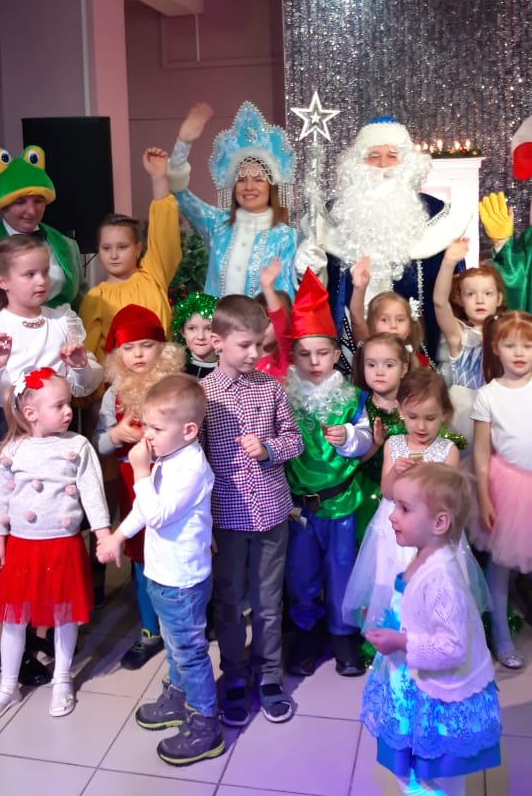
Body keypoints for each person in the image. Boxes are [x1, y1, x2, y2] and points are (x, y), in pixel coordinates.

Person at [0, 234, 102, 685]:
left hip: (56, 446)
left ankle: (47, 627)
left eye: (45, 271)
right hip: (6, 441)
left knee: (53, 539)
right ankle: (12, 637)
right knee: (9, 546)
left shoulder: (62, 320)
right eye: (29, 274)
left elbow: (84, 385)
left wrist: (80, 364)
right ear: (3, 281)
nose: (41, 281)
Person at [97, 374, 225, 766]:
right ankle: (178, 696)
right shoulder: (170, 458)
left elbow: (157, 514)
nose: (147, 436)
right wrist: (118, 536)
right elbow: (144, 509)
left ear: (189, 431)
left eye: (156, 428)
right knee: (174, 644)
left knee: (189, 652)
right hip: (162, 574)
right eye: (147, 426)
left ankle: (205, 723)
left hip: (181, 581)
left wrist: (139, 472)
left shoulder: (190, 468)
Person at [0, 367, 111, 723]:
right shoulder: (12, 450)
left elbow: (93, 494)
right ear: (31, 413)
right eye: (59, 405)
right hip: (22, 547)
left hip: (63, 545)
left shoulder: (77, 446)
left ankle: (62, 678)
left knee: (65, 614)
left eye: (69, 404)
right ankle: (7, 685)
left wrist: (102, 534)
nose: (68, 411)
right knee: (14, 617)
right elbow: (1, 501)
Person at [361, 464, 501, 796]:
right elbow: (413, 609)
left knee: (440, 767)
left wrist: (400, 641)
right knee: (411, 762)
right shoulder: (424, 556)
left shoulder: (442, 580)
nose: (392, 516)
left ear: (439, 523)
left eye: (404, 509)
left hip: (436, 688)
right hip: (411, 678)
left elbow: (452, 647)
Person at [299, 115, 470, 375]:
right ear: (357, 164)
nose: (382, 165)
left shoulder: (439, 219)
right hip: (349, 364)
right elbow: (315, 294)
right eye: (373, 156)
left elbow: (456, 298)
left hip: (419, 368)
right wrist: (308, 270)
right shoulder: (329, 219)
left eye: (392, 156)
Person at [201, 294, 303, 726]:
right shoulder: (202, 396)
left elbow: (295, 440)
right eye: (244, 345)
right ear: (216, 342)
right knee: (228, 602)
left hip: (271, 514)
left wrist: (268, 449)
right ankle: (234, 675)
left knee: (267, 602)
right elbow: (194, 461)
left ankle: (269, 676)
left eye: (259, 345)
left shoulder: (270, 388)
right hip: (225, 518)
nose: (254, 353)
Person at [283, 268, 373, 678]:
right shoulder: (283, 396)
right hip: (298, 507)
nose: (314, 362)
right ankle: (306, 633)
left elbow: (366, 439)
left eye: (322, 353)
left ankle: (342, 635)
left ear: (337, 354)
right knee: (301, 574)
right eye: (304, 354)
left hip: (340, 503)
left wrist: (349, 437)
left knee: (341, 571)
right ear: (293, 356)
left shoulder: (351, 397)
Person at [343, 370, 476, 631]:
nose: (421, 426)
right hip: (396, 527)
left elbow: (450, 500)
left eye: (430, 418)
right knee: (392, 579)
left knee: (433, 582)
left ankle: (431, 632)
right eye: (413, 417)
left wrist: (431, 476)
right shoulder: (393, 444)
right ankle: (395, 631)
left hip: (432, 530)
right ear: (401, 410)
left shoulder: (447, 450)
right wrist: (396, 471)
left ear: (444, 414)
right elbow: (387, 491)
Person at [93, 304, 186, 669]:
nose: (138, 355)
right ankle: (150, 629)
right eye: (129, 348)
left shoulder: (176, 389)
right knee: (141, 557)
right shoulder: (113, 395)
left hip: (176, 484)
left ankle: (183, 623)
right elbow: (98, 443)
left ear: (163, 349)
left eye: (147, 345)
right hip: (133, 487)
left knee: (178, 551)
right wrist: (117, 434)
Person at [168, 101, 299, 297]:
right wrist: (183, 144)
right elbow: (180, 193)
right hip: (216, 317)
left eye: (258, 180)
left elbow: (285, 298)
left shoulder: (285, 237)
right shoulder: (217, 224)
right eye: (241, 180)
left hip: (263, 318)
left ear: (271, 187)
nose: (248, 187)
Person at [468, 309, 532, 669]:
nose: (519, 353)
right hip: (507, 488)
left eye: (527, 345)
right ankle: (501, 636)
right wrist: (484, 497)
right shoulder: (488, 395)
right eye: (510, 345)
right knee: (501, 565)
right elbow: (481, 453)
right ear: (496, 347)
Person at [79, 147, 181, 362]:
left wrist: (159, 178)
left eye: (122, 247)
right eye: (106, 248)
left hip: (161, 376)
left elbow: (165, 234)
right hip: (119, 382)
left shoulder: (152, 276)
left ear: (137, 248)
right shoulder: (96, 298)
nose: (114, 255)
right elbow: (89, 355)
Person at [0, 146, 86, 311]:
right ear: (4, 204)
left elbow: (81, 300)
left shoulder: (68, 246)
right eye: (20, 202)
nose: (31, 211)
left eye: (38, 201)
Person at [433, 237, 505, 445]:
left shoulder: (508, 337)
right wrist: (448, 262)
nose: (480, 300)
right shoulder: (460, 336)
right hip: (464, 422)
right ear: (460, 299)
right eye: (471, 294)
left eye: (488, 294)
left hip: (499, 419)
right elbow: (439, 302)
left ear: (499, 299)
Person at [351, 333, 410, 540]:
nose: (379, 372)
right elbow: (353, 462)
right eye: (371, 365)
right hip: (365, 490)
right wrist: (375, 445)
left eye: (389, 365)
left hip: (406, 492)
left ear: (404, 368)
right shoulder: (357, 408)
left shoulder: (412, 408)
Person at [350, 259, 429, 366]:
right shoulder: (368, 349)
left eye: (400, 320)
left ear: (410, 328)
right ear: (371, 325)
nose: (393, 326)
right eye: (384, 320)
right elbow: (357, 320)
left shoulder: (419, 362)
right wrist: (359, 289)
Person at [255, 257, 293, 381]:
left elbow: (282, 328)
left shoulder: (284, 358)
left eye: (269, 322)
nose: (262, 327)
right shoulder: (246, 358)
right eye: (257, 321)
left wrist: (267, 288)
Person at [171, 291, 218, 380]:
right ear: (182, 332)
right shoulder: (172, 370)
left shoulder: (228, 372)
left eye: (209, 329)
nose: (200, 337)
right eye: (192, 328)